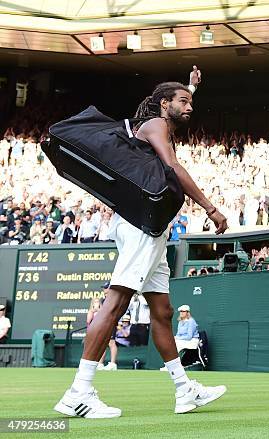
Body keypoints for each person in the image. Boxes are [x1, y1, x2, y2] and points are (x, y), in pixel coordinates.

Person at [54, 66, 228, 419]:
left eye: (190, 101)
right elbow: (173, 167)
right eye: (183, 101)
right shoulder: (158, 125)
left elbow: (179, 106)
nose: (190, 106)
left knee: (161, 312)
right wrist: (211, 208)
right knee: (117, 302)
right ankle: (79, 392)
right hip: (141, 228)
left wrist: (191, 88)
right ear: (164, 104)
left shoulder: (159, 120)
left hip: (151, 227)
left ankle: (184, 390)